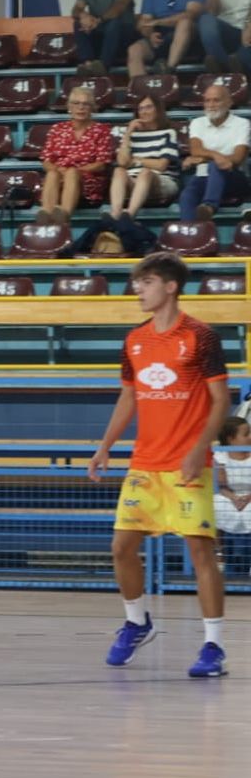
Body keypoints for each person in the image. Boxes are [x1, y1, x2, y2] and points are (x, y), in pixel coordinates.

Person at [89, 251, 229, 679]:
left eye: (146, 282)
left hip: (188, 463)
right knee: (121, 547)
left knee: (201, 553)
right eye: (137, 282)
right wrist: (104, 446)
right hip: (145, 463)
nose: (138, 289)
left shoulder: (201, 337)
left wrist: (198, 449)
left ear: (170, 286)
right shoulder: (134, 341)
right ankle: (136, 622)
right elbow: (128, 397)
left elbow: (221, 401)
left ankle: (213, 647)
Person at [37, 85, 114, 225]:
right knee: (52, 174)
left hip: (88, 181)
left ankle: (63, 219)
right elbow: (46, 161)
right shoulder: (57, 129)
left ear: (92, 108)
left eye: (86, 104)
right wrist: (58, 169)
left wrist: (76, 171)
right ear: (69, 107)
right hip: (59, 177)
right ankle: (46, 218)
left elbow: (101, 164)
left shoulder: (101, 130)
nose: (81, 107)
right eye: (76, 103)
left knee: (72, 173)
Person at [179, 83, 250, 221]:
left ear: (229, 102)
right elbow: (195, 150)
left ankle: (209, 207)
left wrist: (205, 158)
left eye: (216, 100)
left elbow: (238, 158)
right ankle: (190, 235)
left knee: (215, 166)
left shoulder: (242, 124)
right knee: (187, 195)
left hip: (234, 177)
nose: (211, 104)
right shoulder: (197, 123)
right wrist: (216, 156)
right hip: (203, 177)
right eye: (207, 100)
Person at [109, 95, 181, 218]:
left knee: (145, 173)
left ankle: (129, 216)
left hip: (162, 181)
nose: (144, 112)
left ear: (157, 110)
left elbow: (161, 165)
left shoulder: (168, 133)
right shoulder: (132, 135)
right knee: (119, 171)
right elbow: (122, 162)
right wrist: (128, 132)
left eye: (148, 107)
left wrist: (137, 161)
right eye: (141, 109)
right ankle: (115, 214)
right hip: (134, 181)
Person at [214, 416, 251, 576]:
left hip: (250, 497)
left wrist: (247, 498)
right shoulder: (220, 457)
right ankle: (220, 555)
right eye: (246, 433)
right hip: (231, 497)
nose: (250, 436)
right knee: (214, 505)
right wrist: (234, 498)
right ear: (231, 439)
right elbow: (222, 486)